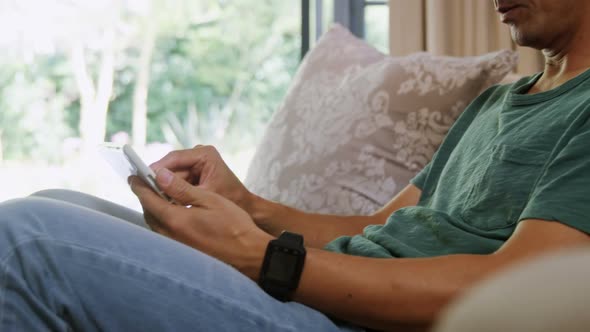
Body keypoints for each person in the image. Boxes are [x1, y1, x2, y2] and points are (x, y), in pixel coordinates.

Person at [1, 0, 589, 330]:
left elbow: (519, 293)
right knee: (56, 203)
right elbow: (376, 230)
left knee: (24, 241)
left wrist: (261, 258)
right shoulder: (496, 103)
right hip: (321, 289)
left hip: (358, 320)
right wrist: (249, 208)